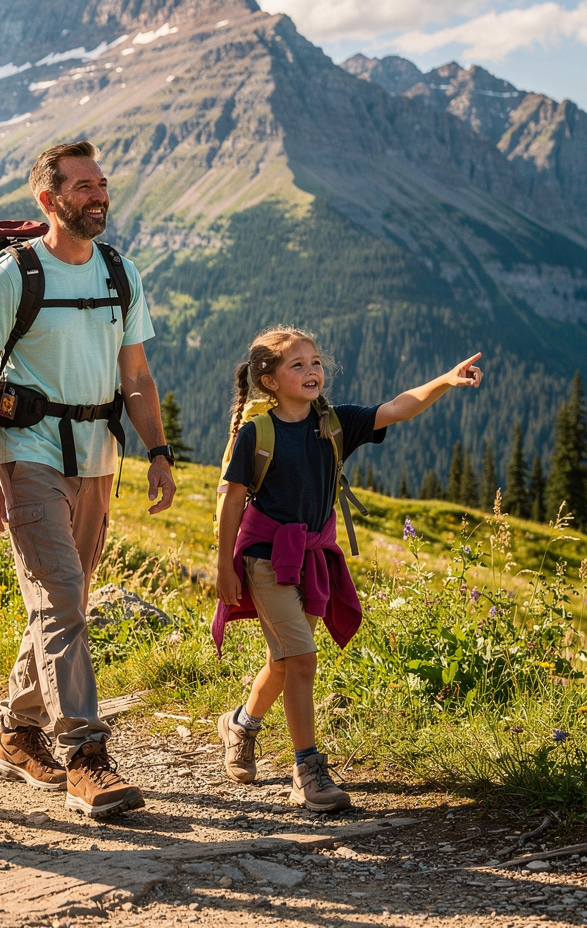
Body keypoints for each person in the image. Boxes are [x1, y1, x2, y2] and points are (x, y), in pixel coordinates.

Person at [0, 140, 175, 819]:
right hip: (26, 455)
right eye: (83, 185)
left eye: (102, 182)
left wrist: (160, 451)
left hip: (99, 458)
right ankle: (86, 755)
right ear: (49, 201)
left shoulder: (120, 272)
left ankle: (17, 732)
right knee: (59, 600)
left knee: (67, 602)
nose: (98, 194)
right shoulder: (13, 275)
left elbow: (135, 374)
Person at [212, 325, 483, 812]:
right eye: (297, 365)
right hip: (266, 559)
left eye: (315, 361)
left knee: (285, 661)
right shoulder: (259, 432)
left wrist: (445, 379)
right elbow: (232, 502)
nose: (312, 370)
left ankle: (240, 725)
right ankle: (307, 770)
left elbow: (398, 408)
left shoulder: (334, 423)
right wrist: (223, 568)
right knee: (300, 660)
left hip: (313, 557)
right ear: (269, 381)